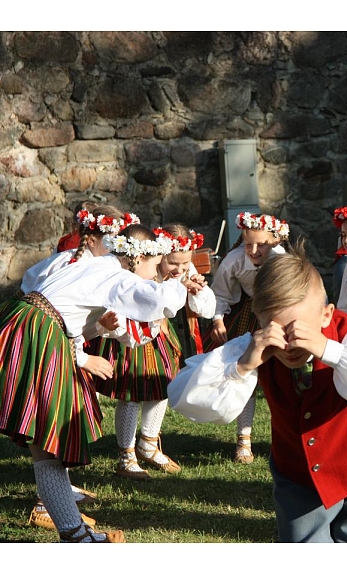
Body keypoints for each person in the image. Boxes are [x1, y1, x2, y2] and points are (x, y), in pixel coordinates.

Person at [168, 239, 347, 542]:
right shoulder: (252, 347)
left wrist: (327, 349)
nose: (291, 342)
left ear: (326, 315)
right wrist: (242, 366)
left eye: (301, 329)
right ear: (261, 321)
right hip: (297, 473)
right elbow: (184, 395)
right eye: (279, 329)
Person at [0, 224, 187, 542]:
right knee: (51, 441)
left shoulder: (90, 263)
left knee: (47, 444)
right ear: (137, 257)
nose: (155, 273)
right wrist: (181, 281)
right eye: (155, 266)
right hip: (40, 333)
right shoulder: (116, 275)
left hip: (26, 322)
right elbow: (159, 302)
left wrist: (96, 331)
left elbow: (59, 307)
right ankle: (75, 535)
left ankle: (74, 532)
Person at [20, 205, 136, 531]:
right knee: (52, 425)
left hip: (55, 345)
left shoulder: (88, 265)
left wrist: (98, 328)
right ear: (100, 237)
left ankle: (62, 505)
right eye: (115, 241)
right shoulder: (75, 265)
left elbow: (71, 322)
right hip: (43, 346)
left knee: (58, 423)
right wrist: (85, 359)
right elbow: (49, 317)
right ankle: (50, 508)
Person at [92, 224, 215, 480]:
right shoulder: (141, 267)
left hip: (160, 334)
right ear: (159, 255)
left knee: (161, 386)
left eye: (185, 263)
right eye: (173, 263)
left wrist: (197, 289)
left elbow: (205, 308)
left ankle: (148, 443)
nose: (179, 269)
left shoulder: (182, 268)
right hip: (131, 333)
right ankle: (126, 456)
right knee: (131, 391)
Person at [204, 212, 289, 464]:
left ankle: (283, 439)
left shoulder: (281, 259)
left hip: (277, 316)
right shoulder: (234, 259)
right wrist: (218, 319)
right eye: (247, 242)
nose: (252, 250)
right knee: (246, 375)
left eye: (260, 244)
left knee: (281, 378)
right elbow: (220, 294)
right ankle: (244, 440)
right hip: (247, 316)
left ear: (274, 241)